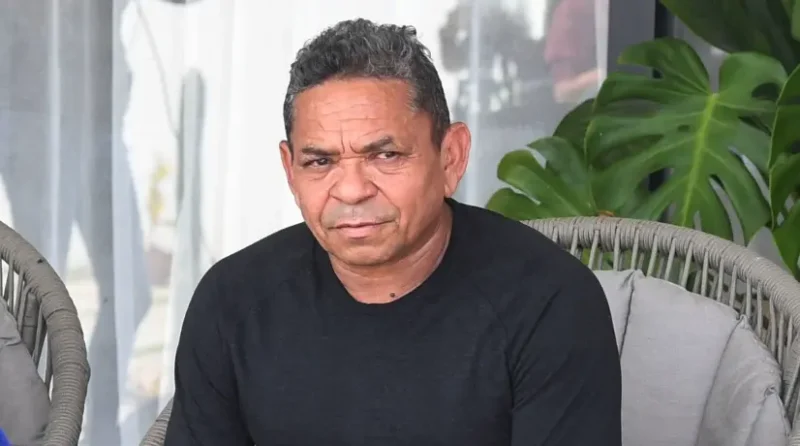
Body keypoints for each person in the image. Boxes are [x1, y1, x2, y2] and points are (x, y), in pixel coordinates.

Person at [164, 18, 621, 446]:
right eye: (320, 161)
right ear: (290, 170)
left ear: (451, 157)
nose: (352, 190)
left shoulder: (548, 303)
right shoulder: (233, 301)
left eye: (386, 156)